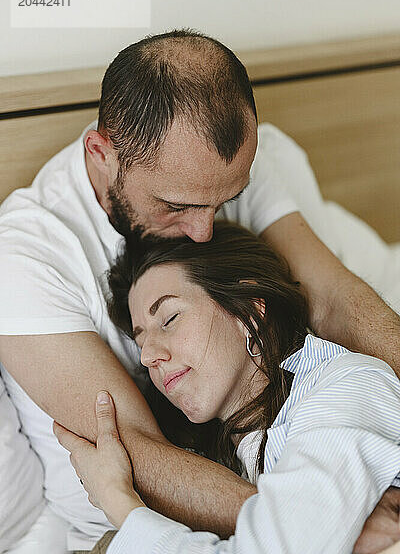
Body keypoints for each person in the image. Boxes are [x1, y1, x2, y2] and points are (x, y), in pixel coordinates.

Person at [0, 28, 400, 550]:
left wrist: (319, 513)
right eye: (176, 205)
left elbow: (329, 299)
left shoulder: (244, 163)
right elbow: (132, 448)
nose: (205, 230)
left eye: (228, 199)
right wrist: (324, 517)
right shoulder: (26, 256)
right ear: (101, 152)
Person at [54, 220, 400, 554]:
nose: (149, 357)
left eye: (170, 319)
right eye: (140, 340)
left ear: (250, 311)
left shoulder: (344, 388)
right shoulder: (221, 463)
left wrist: (118, 501)